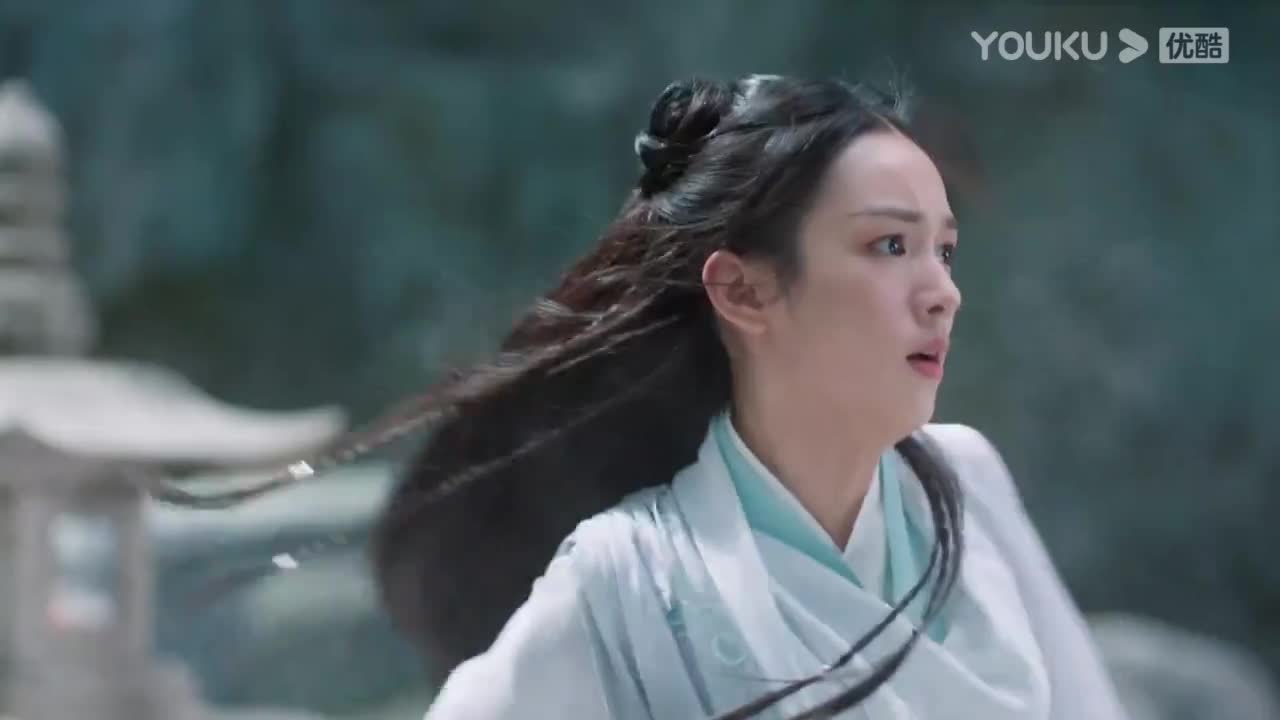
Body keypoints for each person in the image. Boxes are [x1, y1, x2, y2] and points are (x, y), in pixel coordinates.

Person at [186, 73, 1127, 719]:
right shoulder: (632, 577)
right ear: (743, 290)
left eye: (943, 250)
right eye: (889, 245)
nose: (941, 291)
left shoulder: (964, 485)